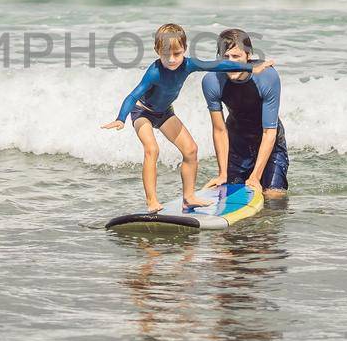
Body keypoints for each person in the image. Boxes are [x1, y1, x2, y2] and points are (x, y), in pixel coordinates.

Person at [102, 23, 273, 212]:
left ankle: (189, 197)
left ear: (184, 49)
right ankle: (152, 201)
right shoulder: (154, 72)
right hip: (142, 112)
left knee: (191, 150)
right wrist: (121, 118)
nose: (172, 60)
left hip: (165, 112)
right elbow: (133, 95)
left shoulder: (189, 64)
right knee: (152, 149)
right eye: (166, 55)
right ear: (157, 51)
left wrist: (249, 68)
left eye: (177, 54)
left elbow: (217, 65)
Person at [202, 28, 288, 200]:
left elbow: (269, 132)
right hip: (237, 145)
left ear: (248, 56)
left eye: (236, 56)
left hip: (269, 142)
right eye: (225, 57)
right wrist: (222, 173)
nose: (231, 62)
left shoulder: (267, 77)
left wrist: (255, 176)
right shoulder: (211, 81)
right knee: (232, 195)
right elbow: (219, 130)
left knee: (273, 195)